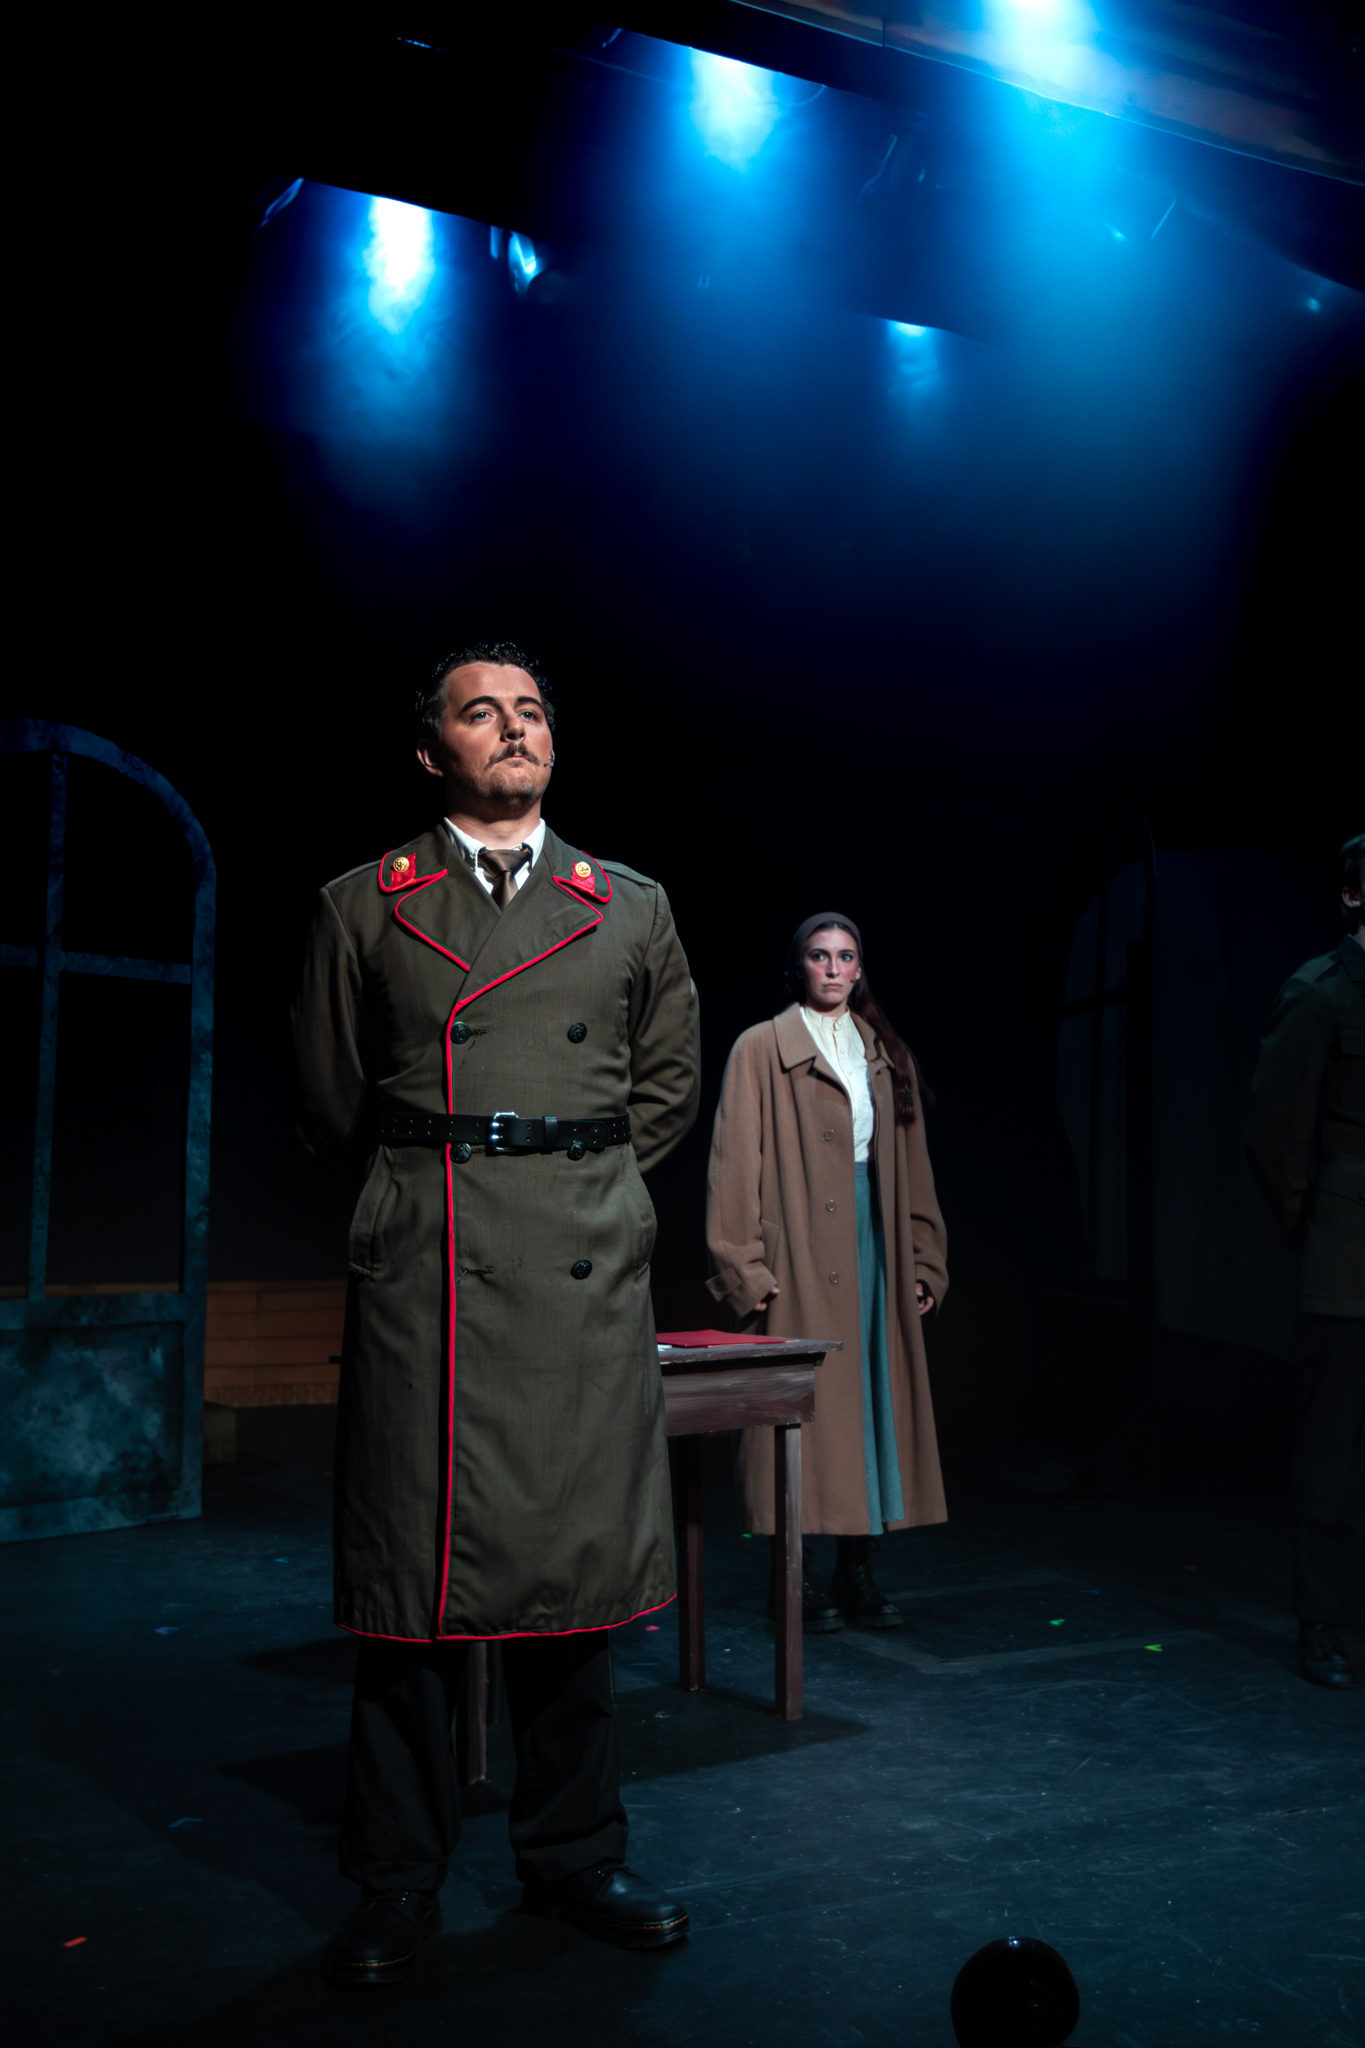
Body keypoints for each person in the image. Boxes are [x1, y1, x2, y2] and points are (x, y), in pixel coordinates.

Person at [292, 642, 701, 1981]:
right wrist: (423, 1193)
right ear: (433, 751)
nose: (513, 729)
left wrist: (584, 1195)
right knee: (408, 1594)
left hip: (576, 1265)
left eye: (530, 711)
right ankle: (396, 1876)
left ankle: (574, 1854)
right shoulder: (365, 905)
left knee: (572, 1585)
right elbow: (329, 1099)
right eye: (482, 712)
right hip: (432, 1269)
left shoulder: (627, 906)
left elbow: (665, 1088)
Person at [705, 914, 948, 1631]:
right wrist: (745, 1268)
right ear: (798, 967)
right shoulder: (760, 1047)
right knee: (797, 1413)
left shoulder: (885, 1053)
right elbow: (732, 1166)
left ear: (860, 968)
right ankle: (795, 1578)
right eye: (820, 956)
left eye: (846, 956)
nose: (834, 968)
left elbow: (915, 1168)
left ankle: (856, 1573)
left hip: (874, 1243)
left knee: (869, 1404)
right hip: (799, 1252)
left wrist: (922, 1259)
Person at [1245, 831, 1365, 1692]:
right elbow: (1273, 1133)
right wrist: (1317, 1228)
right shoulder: (1319, 992)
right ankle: (1320, 1622)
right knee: (1334, 1451)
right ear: (1353, 896)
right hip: (1347, 1261)